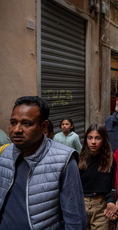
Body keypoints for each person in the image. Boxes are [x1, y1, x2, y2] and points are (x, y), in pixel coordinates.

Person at [0, 96, 86, 229]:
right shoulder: (5, 154)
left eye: (26, 123)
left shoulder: (64, 160)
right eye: (13, 122)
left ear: (43, 126)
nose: (16, 130)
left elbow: (75, 218)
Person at [79, 124, 117, 229]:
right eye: (90, 138)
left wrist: (110, 202)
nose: (93, 142)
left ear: (104, 140)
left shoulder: (110, 161)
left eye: (98, 138)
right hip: (82, 205)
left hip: (101, 207)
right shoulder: (79, 160)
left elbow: (113, 185)